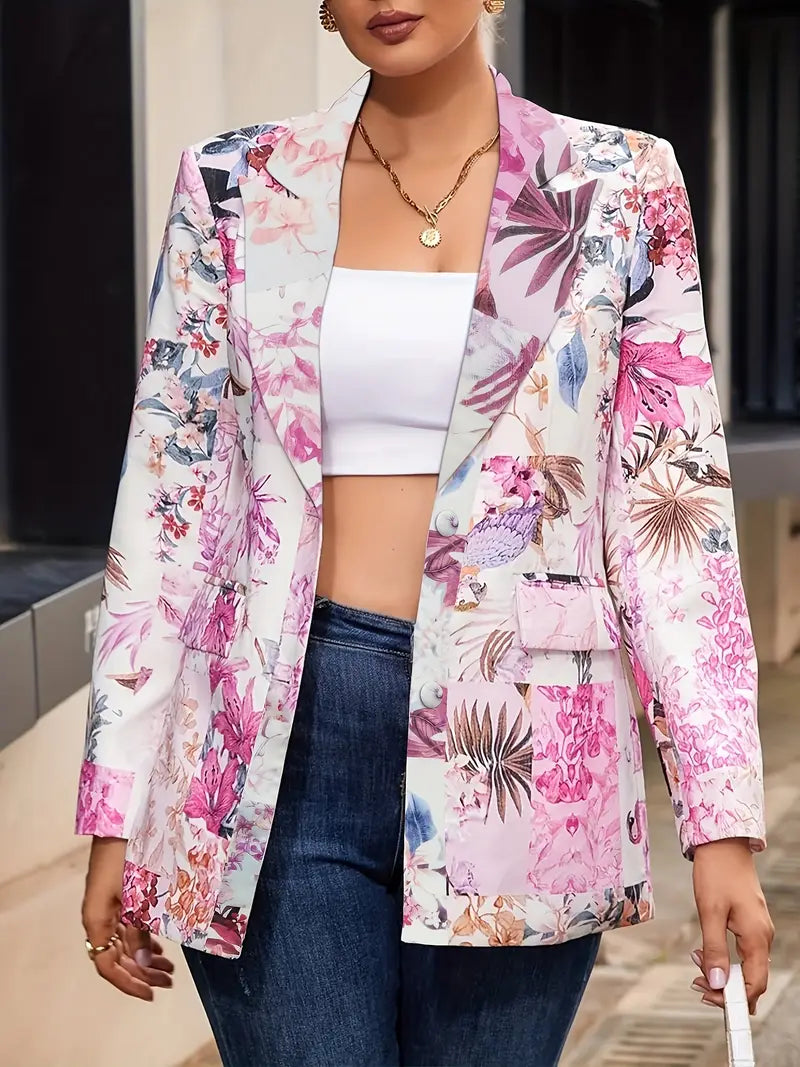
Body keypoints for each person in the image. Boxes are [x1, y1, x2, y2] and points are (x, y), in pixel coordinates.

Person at [77, 2, 774, 1064]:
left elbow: (669, 512)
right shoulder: (231, 185)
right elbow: (167, 500)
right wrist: (116, 801)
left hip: (521, 741)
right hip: (275, 736)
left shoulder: (620, 184)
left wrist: (719, 822)